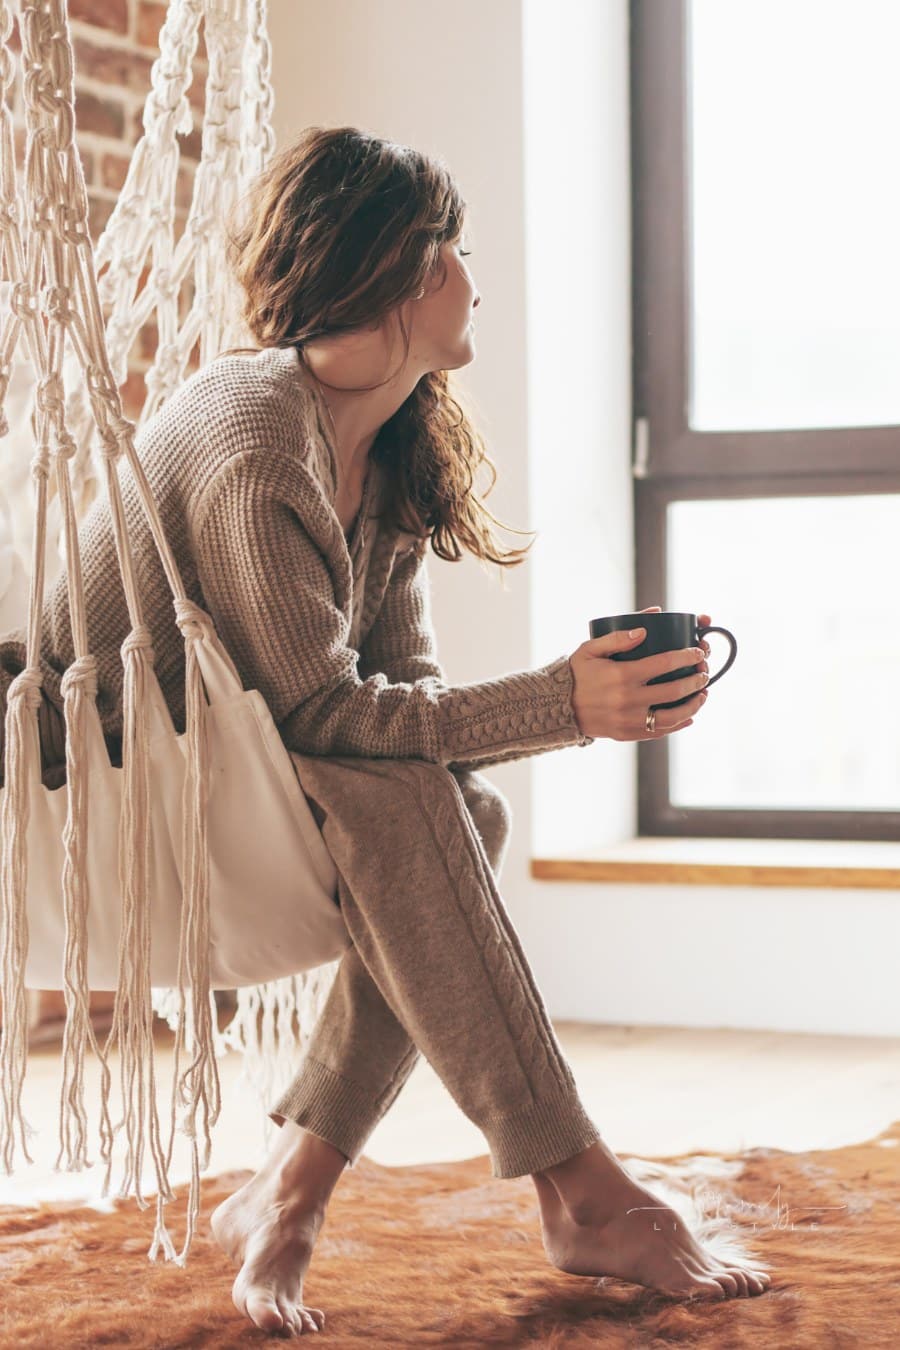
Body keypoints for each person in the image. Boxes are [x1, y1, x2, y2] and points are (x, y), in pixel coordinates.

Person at [1, 124, 770, 1335]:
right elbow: (321, 711)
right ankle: (581, 1186)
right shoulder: (255, 435)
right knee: (417, 802)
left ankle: (289, 1196)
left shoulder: (390, 447)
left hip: (230, 759)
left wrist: (571, 704)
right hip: (83, 773)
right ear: (402, 271)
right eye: (454, 250)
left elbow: (397, 692)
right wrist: (568, 704)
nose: (473, 278)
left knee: (461, 804)